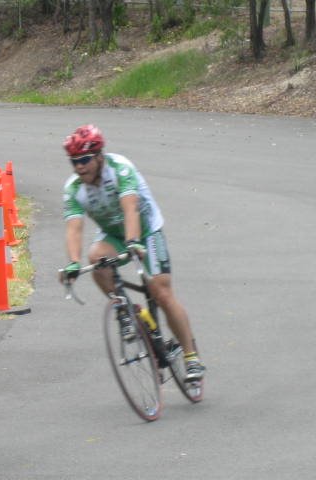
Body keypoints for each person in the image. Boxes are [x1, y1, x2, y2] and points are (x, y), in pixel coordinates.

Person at [59, 125, 205, 381]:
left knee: (161, 292)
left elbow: (131, 210)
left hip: (146, 230)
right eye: (74, 162)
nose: (79, 167)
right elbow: (74, 228)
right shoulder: (73, 188)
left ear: (99, 156)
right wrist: (72, 263)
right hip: (113, 234)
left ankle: (191, 357)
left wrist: (135, 242)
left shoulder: (120, 169)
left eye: (84, 160)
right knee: (95, 258)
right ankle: (126, 311)